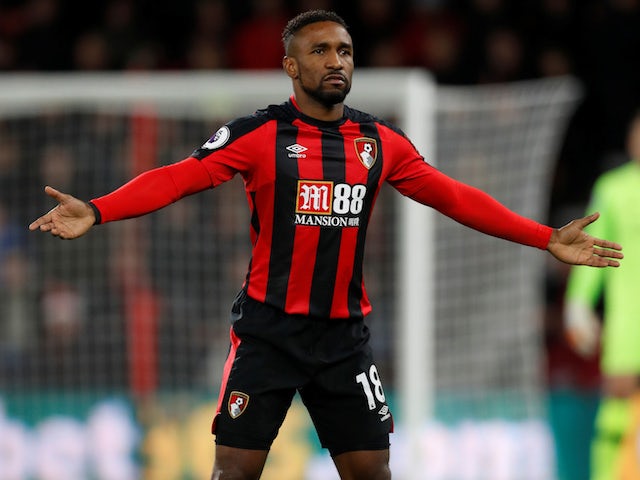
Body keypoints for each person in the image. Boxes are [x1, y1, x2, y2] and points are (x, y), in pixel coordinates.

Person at [29, 10, 623, 480]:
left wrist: (544, 237)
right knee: (234, 471)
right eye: (320, 51)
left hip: (344, 340)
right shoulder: (258, 134)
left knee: (372, 470)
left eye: (344, 51)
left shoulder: (378, 141)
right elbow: (177, 177)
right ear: (291, 66)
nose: (336, 61)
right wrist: (100, 209)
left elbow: (454, 197)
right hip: (268, 333)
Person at [564, 110, 640, 480]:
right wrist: (578, 304)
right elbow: (591, 248)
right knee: (617, 405)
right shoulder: (613, 187)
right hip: (627, 322)